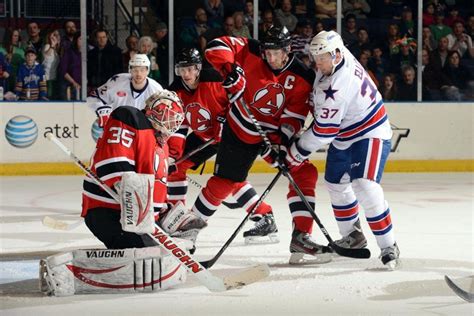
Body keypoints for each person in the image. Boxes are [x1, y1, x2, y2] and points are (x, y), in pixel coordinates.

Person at [191, 26, 331, 262]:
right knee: (225, 183)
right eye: (268, 52)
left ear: (288, 50)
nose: (271, 58)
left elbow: (294, 117)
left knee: (304, 173)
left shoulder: (302, 76)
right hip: (240, 129)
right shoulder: (251, 50)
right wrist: (230, 68)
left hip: (273, 137)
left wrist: (282, 145)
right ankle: (188, 229)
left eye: (277, 53)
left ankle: (300, 237)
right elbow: (215, 46)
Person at [284, 30, 400, 269]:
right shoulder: (336, 55)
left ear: (337, 55)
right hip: (345, 134)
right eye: (315, 57)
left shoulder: (340, 83)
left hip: (369, 132)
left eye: (323, 57)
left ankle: (389, 246)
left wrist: (295, 153)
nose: (318, 62)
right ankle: (353, 238)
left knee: (364, 185)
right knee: (336, 184)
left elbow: (324, 132)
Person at [167, 48, 275, 243]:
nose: (186, 74)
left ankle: (264, 215)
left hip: (232, 134)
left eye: (190, 69)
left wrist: (224, 121)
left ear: (198, 67)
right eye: (182, 70)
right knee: (174, 167)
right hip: (204, 137)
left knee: (229, 177)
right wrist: (173, 153)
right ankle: (177, 216)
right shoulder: (175, 92)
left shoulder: (215, 78)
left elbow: (241, 98)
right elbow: (178, 125)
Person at [82, 90, 186, 249]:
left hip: (141, 220)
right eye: (169, 116)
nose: (172, 123)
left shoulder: (161, 145)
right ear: (155, 110)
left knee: (174, 244)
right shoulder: (130, 118)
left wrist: (165, 212)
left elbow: (155, 187)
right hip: (110, 212)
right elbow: (112, 166)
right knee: (148, 251)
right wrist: (136, 202)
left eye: (175, 120)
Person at [87, 54, 164, 128]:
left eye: (142, 70)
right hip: (118, 128)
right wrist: (102, 111)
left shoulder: (156, 89)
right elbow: (93, 98)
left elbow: (163, 113)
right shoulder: (117, 81)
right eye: (135, 70)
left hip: (143, 131)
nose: (138, 74)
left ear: (148, 70)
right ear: (129, 70)